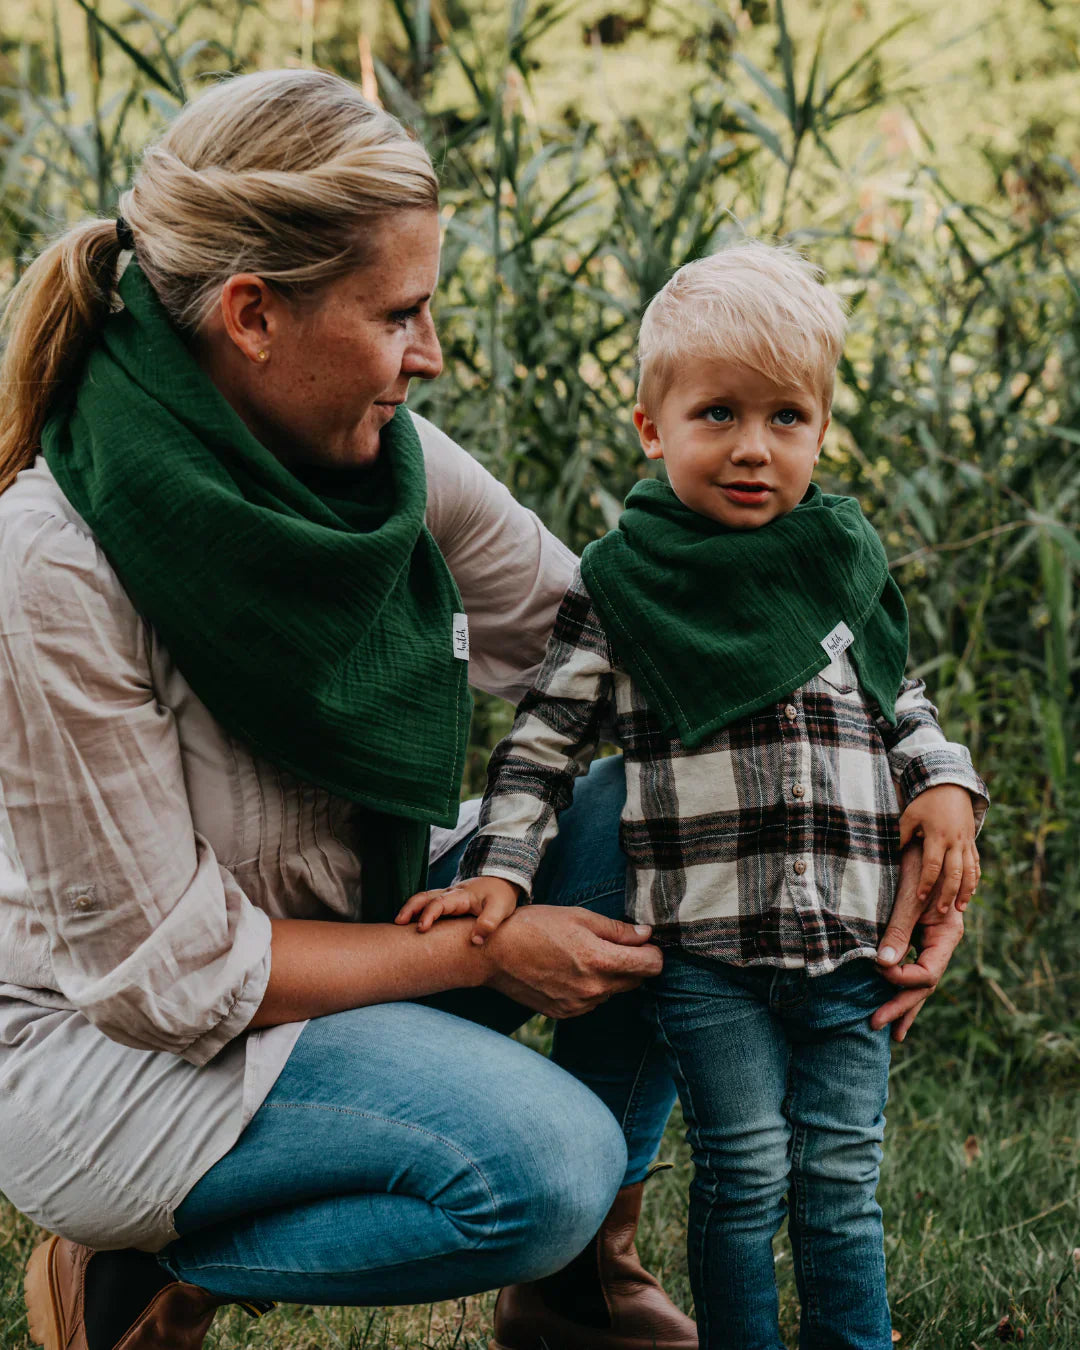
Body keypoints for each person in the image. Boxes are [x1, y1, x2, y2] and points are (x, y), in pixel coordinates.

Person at [0, 68, 700, 1350]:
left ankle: (579, 1298)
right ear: (255, 314)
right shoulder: (50, 566)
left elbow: (629, 651)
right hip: (118, 1056)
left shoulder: (387, 472)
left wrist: (917, 770)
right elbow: (172, 976)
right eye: (400, 316)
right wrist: (490, 945)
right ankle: (140, 1274)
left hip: (341, 926)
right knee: (544, 1165)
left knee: (669, 817)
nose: (428, 357)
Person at [398, 241, 989, 1349]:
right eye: (717, 414)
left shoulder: (838, 562)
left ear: (821, 429)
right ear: (650, 429)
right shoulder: (625, 590)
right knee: (746, 1167)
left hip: (848, 941)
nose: (754, 449)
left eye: (787, 418)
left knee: (841, 1174)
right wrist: (503, 877)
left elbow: (898, 697)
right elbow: (544, 747)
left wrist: (946, 781)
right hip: (709, 956)